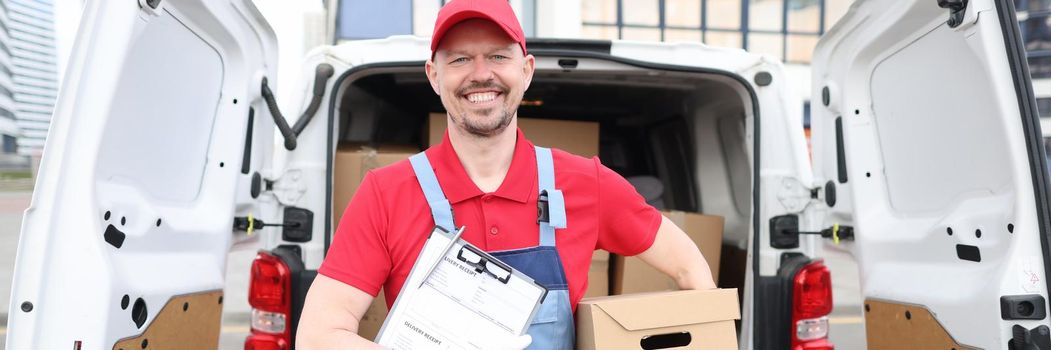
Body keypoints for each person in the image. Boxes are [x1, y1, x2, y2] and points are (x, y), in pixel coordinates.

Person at [296, 0, 716, 348]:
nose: (482, 73)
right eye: (460, 59)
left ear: (526, 70)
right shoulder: (386, 193)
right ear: (434, 76)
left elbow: (688, 268)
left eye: (498, 56)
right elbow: (318, 334)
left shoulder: (585, 182)